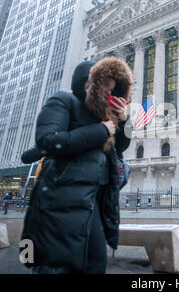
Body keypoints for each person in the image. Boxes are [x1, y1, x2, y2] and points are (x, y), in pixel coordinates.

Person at [20, 57, 133, 274]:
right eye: (106, 83)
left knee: (95, 264)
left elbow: (118, 149)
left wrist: (123, 121)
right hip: (61, 200)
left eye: (113, 86)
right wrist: (101, 130)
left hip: (95, 202)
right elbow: (48, 140)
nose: (110, 90)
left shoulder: (104, 117)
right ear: (89, 82)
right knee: (58, 264)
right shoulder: (63, 101)